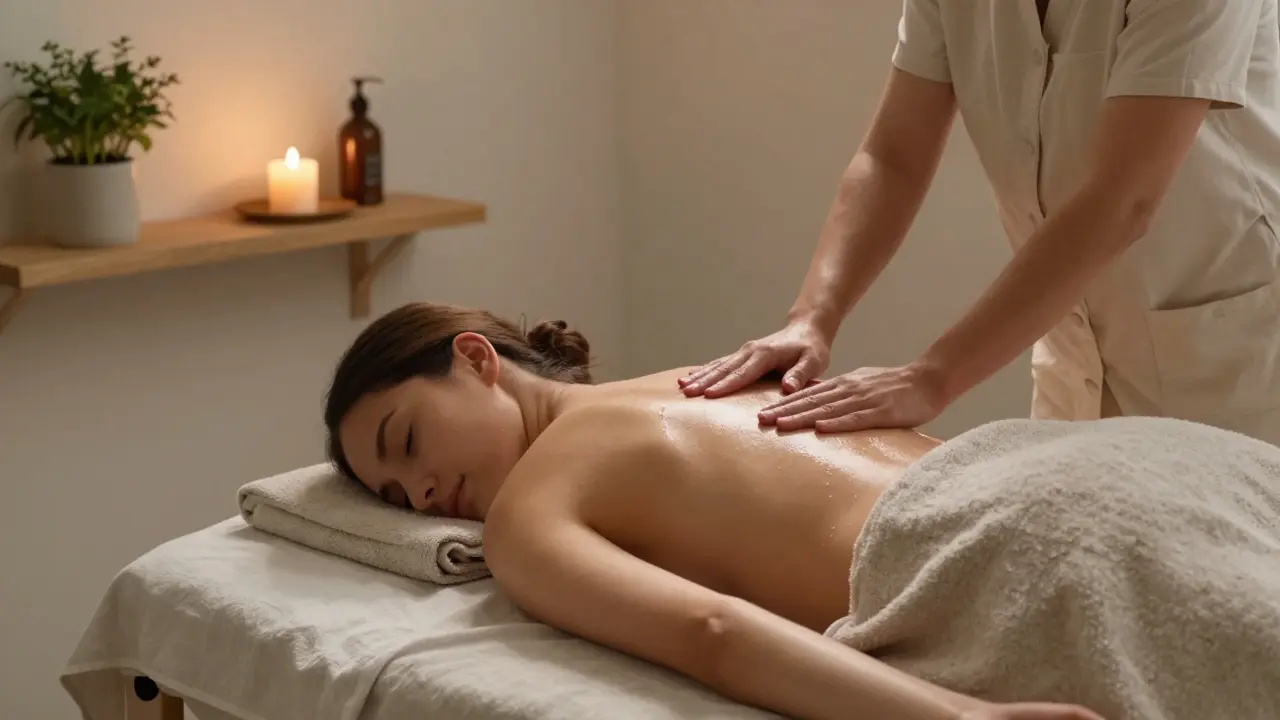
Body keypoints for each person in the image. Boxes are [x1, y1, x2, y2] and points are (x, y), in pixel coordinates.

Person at [322, 302, 1280, 720]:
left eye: (407, 443)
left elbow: (712, 633)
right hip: (1117, 456)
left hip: (998, 544)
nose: (424, 495)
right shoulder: (708, 372)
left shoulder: (526, 517)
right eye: (396, 497)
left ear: (477, 360)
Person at [678, 0, 1280, 445]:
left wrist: (932, 377)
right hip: (1076, 363)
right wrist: (812, 319)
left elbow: (1122, 202)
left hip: (1235, 371)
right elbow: (893, 157)